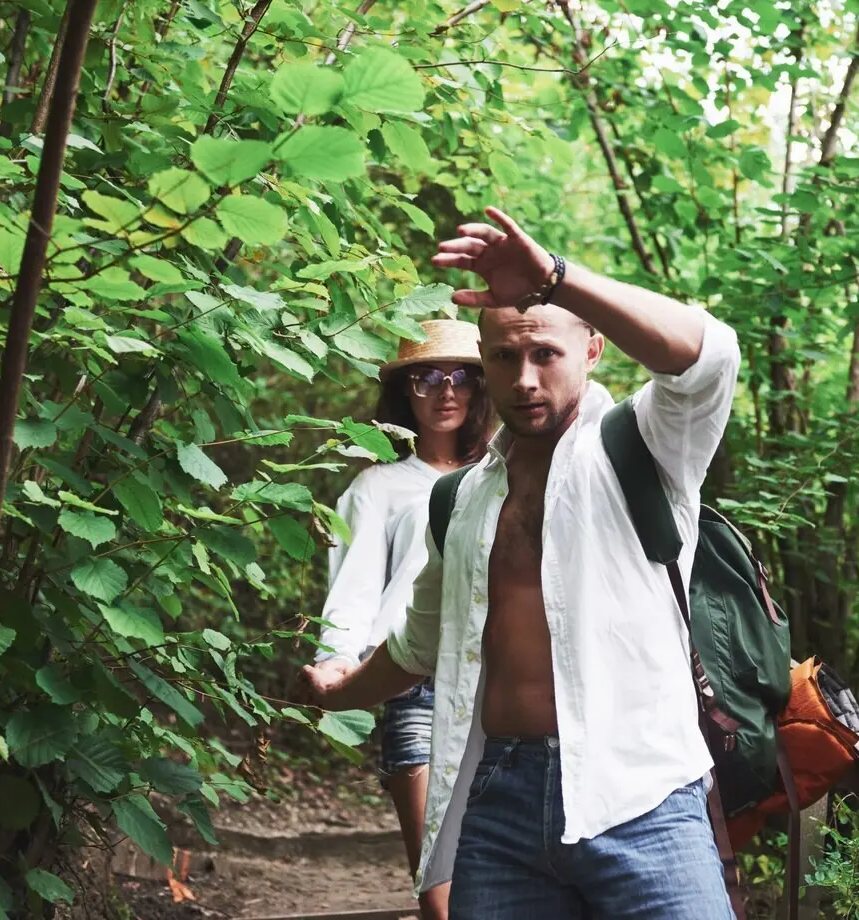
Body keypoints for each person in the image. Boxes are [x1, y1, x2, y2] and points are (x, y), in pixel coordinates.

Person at [303, 206, 740, 919]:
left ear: (592, 350)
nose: (525, 378)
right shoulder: (457, 502)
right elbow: (417, 646)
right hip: (499, 807)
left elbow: (709, 354)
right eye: (503, 358)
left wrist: (558, 280)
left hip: (644, 794)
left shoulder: (645, 447)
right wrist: (338, 692)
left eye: (545, 353)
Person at [304, 318, 492, 920]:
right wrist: (336, 664)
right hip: (414, 679)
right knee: (437, 883)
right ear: (404, 393)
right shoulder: (378, 486)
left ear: (481, 387)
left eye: (461, 376)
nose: (445, 391)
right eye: (427, 378)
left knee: (502, 872)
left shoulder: (506, 473)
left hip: (504, 685)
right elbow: (353, 585)